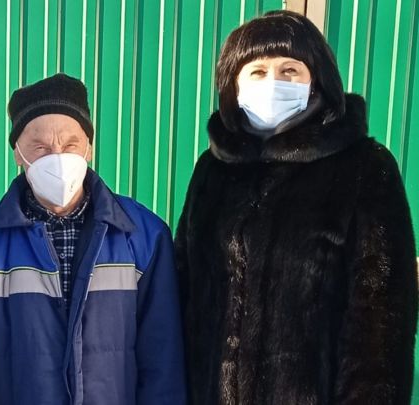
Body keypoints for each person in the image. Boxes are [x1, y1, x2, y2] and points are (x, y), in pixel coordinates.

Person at [174, 10, 417, 404]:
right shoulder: (213, 170)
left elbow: (381, 327)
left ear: (316, 79)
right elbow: (183, 291)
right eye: (257, 71)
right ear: (234, 85)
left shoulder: (364, 169)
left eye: (290, 70)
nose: (273, 82)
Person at [0, 73, 187, 404]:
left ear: (89, 148)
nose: (57, 157)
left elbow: (163, 363)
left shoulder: (144, 237)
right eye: (40, 147)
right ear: (17, 153)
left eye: (70, 145)